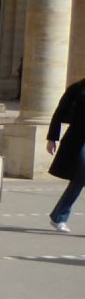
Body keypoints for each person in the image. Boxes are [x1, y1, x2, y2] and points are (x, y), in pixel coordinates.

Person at [45, 74, 85, 231]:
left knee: (79, 180)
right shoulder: (77, 89)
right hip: (79, 140)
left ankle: (58, 216)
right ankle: (60, 216)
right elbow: (59, 113)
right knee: (81, 176)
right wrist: (52, 138)